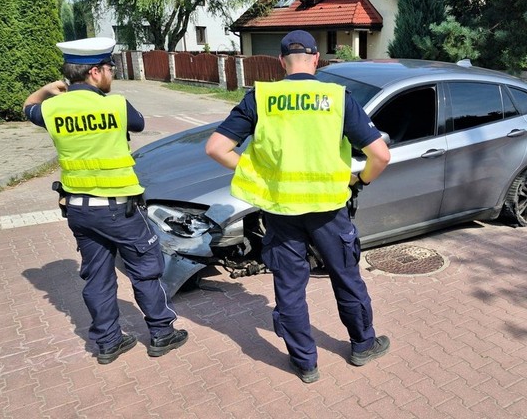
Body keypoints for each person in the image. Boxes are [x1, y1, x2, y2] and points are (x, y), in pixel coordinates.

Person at [205, 30, 391, 383]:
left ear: (281, 62)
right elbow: (380, 155)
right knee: (346, 278)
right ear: (316, 60)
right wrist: (360, 180)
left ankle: (306, 363)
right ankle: (363, 345)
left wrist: (255, 171)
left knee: (290, 288)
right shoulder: (337, 98)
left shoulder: (262, 96)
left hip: (280, 212)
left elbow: (216, 147)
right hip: (329, 210)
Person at [23, 37, 188, 364]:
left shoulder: (52, 108)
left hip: (79, 211)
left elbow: (27, 107)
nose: (112, 73)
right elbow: (139, 123)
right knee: (145, 269)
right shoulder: (115, 105)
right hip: (120, 210)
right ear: (95, 72)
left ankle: (109, 342)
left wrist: (47, 89)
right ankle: (161, 333)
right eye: (110, 68)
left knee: (97, 276)